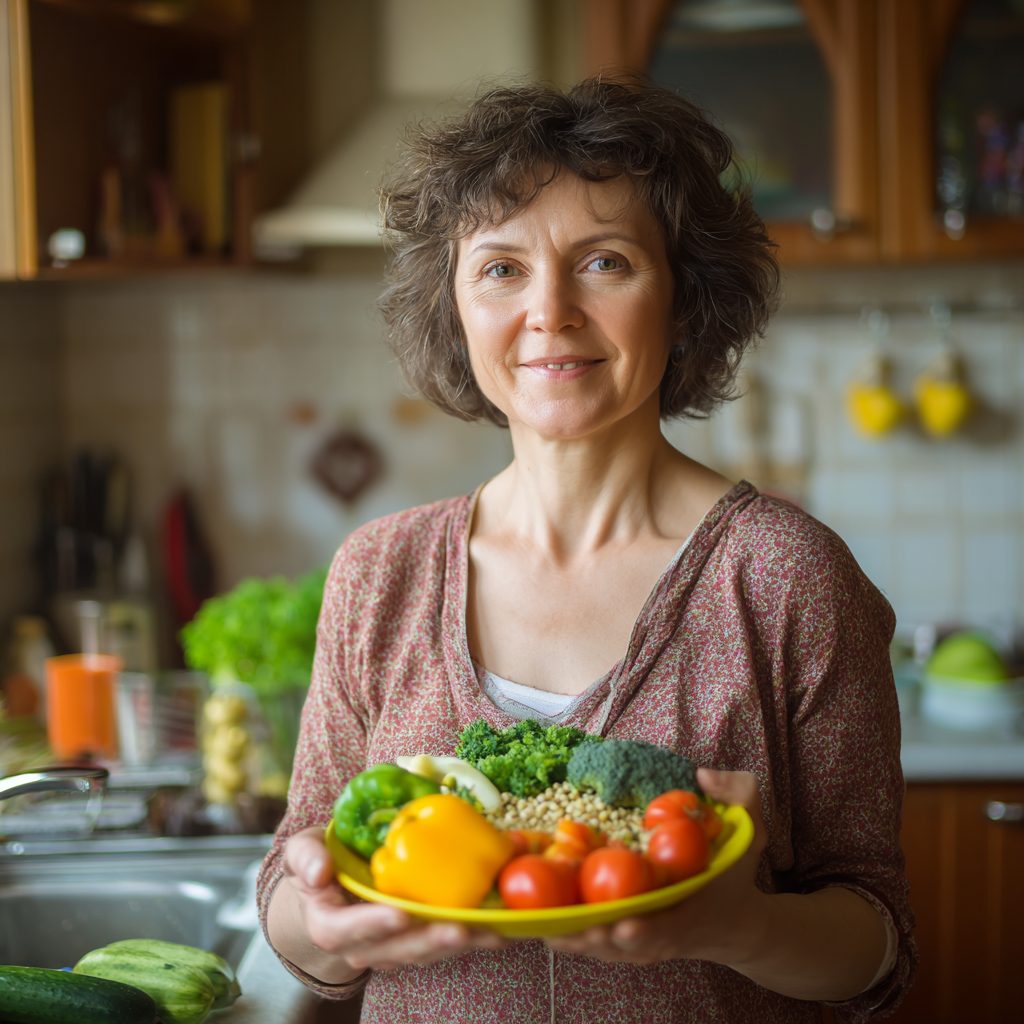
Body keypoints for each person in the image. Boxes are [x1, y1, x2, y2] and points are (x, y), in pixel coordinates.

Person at [258, 77, 915, 1023]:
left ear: (685, 298)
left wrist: (737, 929)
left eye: (604, 262)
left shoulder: (786, 576)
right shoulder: (379, 572)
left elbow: (877, 944)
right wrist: (326, 921)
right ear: (455, 307)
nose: (551, 310)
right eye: (500, 269)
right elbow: (291, 893)